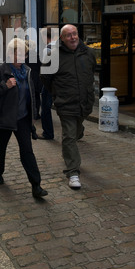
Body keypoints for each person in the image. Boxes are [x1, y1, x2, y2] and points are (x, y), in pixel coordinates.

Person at [0, 38, 48, 199]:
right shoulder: (0, 70)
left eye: (24, 54)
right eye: (19, 54)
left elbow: (31, 94)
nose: (22, 58)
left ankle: (36, 185)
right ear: (10, 54)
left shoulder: (26, 71)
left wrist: (33, 115)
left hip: (23, 119)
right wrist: (5, 86)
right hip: (4, 118)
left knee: (27, 151)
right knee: (0, 148)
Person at [41, 24, 96, 189]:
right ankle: (73, 172)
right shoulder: (53, 56)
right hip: (65, 103)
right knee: (69, 136)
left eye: (75, 34)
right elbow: (45, 78)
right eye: (68, 35)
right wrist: (58, 93)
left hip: (84, 103)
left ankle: (77, 136)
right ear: (62, 38)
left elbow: (91, 74)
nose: (72, 37)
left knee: (75, 133)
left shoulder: (89, 53)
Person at [37, 28, 57, 141]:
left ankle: (48, 132)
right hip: (61, 81)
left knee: (45, 107)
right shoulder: (61, 47)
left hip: (49, 82)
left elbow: (45, 69)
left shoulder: (48, 49)